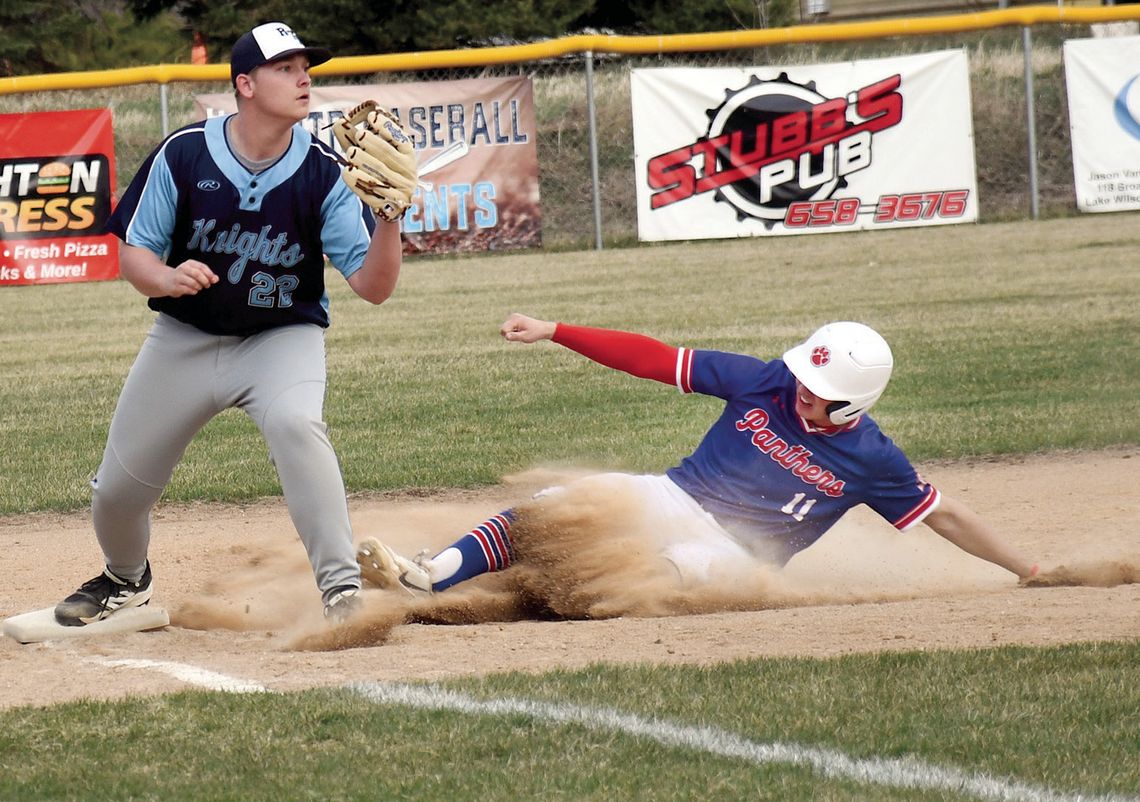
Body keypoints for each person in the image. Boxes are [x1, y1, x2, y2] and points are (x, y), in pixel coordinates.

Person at [54, 22, 405, 627]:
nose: (304, 77)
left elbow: (373, 289)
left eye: (306, 67)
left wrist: (392, 221)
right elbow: (133, 254)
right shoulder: (185, 152)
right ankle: (125, 579)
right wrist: (164, 279)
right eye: (286, 67)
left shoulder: (325, 171)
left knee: (298, 424)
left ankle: (342, 591)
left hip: (280, 340)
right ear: (245, 83)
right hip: (183, 341)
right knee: (116, 490)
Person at [357, 313, 1038, 597]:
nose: (803, 396)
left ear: (854, 408)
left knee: (657, 572)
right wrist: (555, 330)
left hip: (740, 559)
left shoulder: (874, 460)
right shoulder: (767, 379)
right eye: (805, 380)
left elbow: (945, 517)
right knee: (559, 508)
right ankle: (431, 575)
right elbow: (655, 359)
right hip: (674, 494)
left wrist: (1030, 568)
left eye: (821, 395)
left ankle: (533, 595)